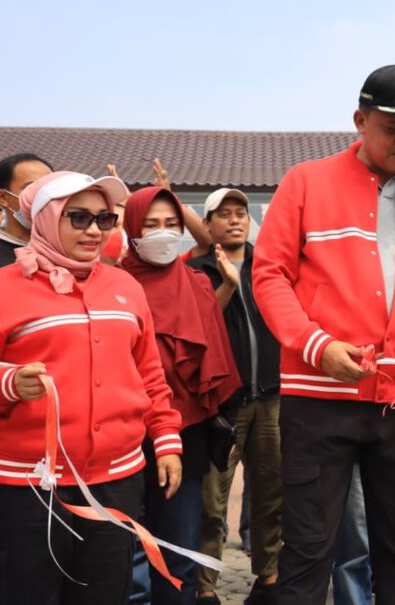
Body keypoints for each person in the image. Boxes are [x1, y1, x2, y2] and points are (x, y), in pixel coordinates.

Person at [252, 63, 395, 604]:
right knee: (307, 552)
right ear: (360, 120)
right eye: (392, 127)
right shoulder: (305, 182)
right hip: (320, 397)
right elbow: (270, 274)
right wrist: (317, 346)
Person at [0, 170, 184, 604]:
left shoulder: (124, 286)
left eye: (105, 220)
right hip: (25, 486)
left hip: (116, 478)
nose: (94, 230)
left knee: (104, 593)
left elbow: (148, 373)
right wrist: (9, 383)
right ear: (47, 219)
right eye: (79, 217)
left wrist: (165, 439)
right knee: (22, 592)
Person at [121, 186, 241, 605]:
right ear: (132, 230)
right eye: (151, 225)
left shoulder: (197, 284)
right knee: (126, 553)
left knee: (178, 550)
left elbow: (208, 351)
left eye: (172, 225)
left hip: (186, 433)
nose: (163, 233)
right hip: (124, 436)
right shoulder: (113, 286)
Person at [189, 187, 285, 605]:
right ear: (207, 225)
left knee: (271, 495)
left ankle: (268, 581)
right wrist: (226, 284)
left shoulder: (271, 266)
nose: (234, 220)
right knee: (211, 503)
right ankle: (205, 588)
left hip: (272, 400)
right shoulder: (195, 270)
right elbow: (197, 328)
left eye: (240, 213)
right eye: (223, 214)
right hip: (222, 405)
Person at [0, 153, 54, 269]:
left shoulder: (69, 251)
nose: (44, 196)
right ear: (2, 197)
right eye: (32, 188)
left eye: (50, 187)